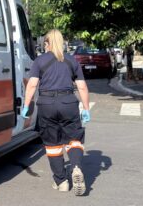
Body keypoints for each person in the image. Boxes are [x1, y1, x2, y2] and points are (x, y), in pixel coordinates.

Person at [21, 29, 91, 196]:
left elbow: (31, 85)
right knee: (74, 139)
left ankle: (61, 182)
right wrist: (86, 109)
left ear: (46, 44)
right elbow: (81, 86)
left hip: (47, 104)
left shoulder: (40, 61)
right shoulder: (71, 61)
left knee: (52, 144)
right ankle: (75, 167)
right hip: (68, 102)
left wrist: (26, 105)